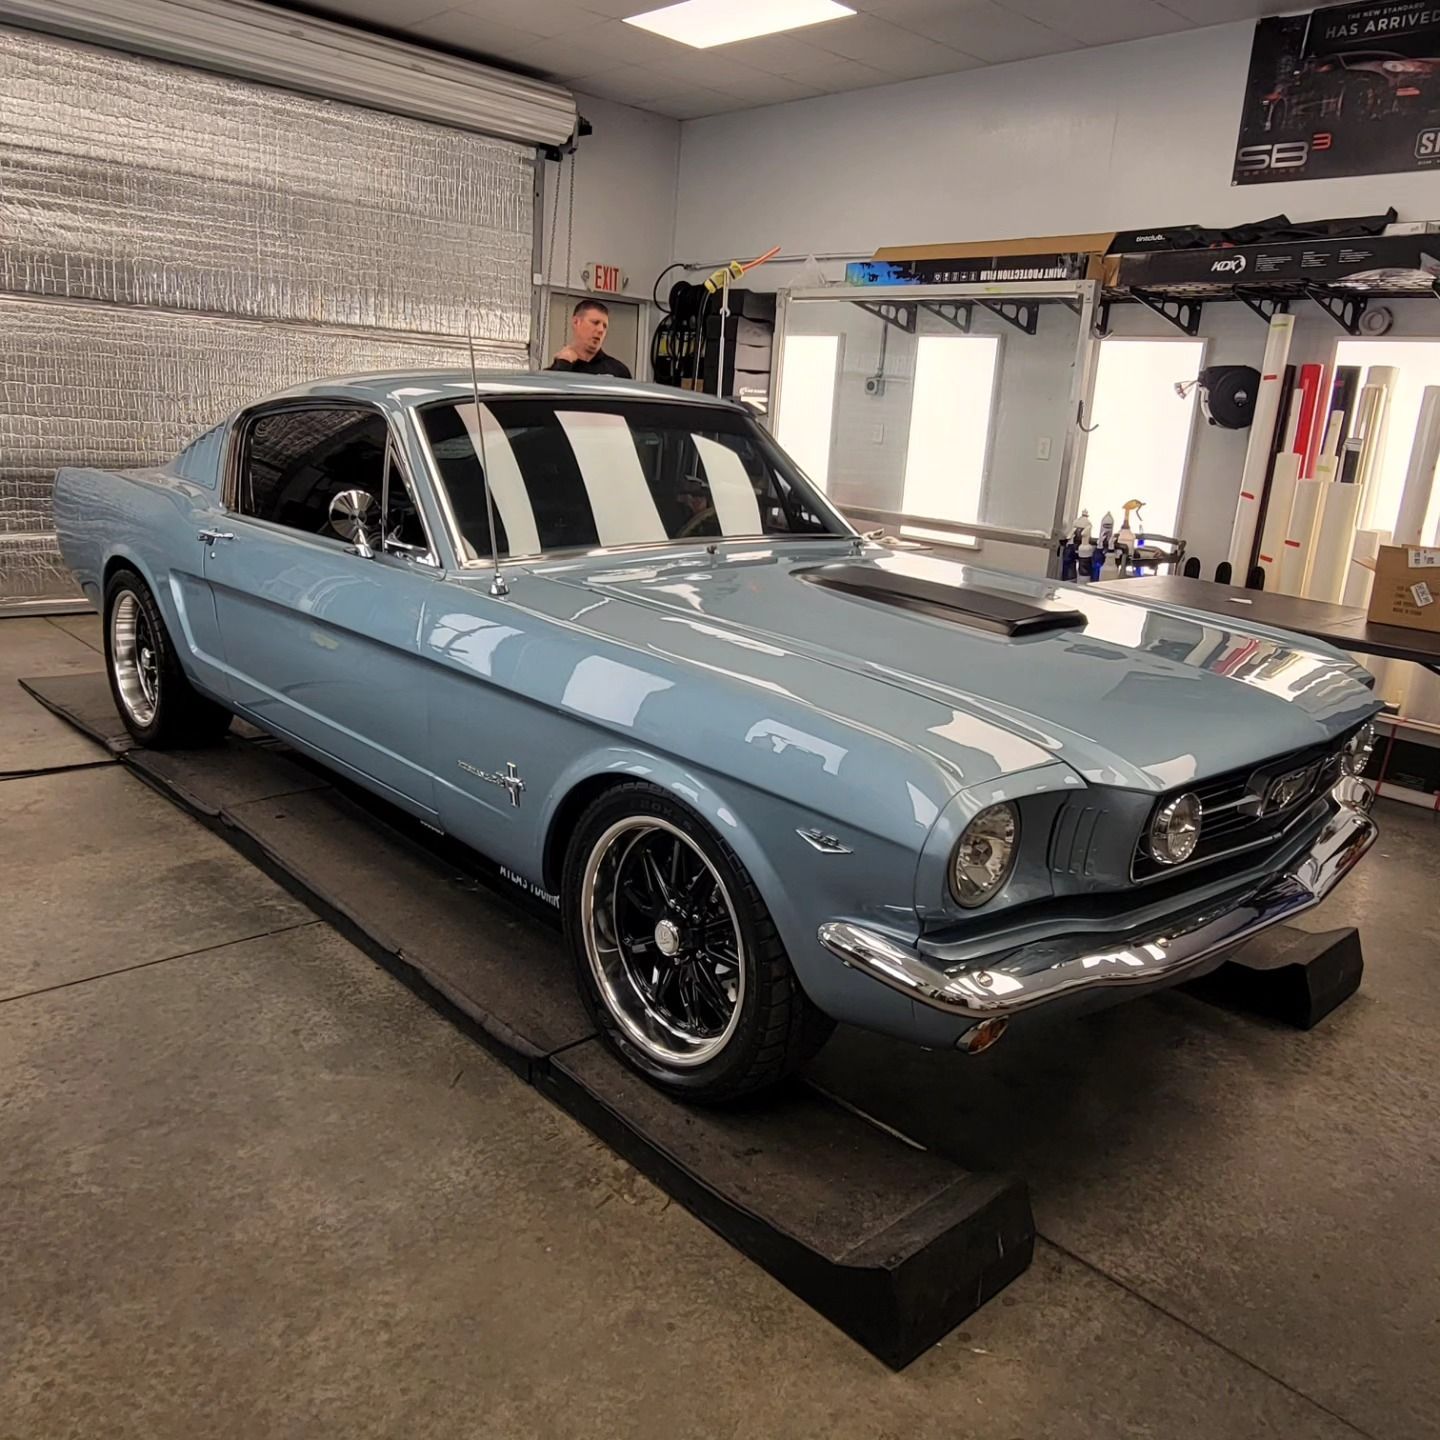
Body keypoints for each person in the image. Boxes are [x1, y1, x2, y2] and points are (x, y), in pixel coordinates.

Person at [547, 299, 632, 378]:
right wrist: (563, 365)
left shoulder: (618, 371)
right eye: (595, 323)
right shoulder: (560, 367)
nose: (601, 330)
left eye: (604, 326)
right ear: (576, 322)